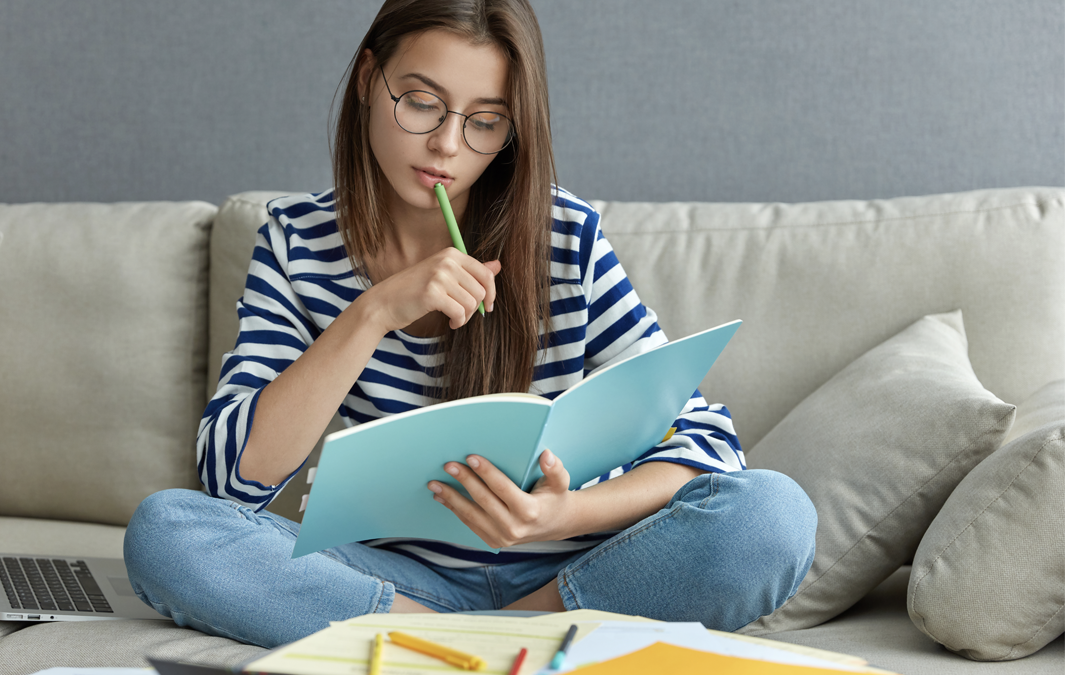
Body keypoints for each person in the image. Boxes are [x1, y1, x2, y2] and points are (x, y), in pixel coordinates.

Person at [124, 0, 816, 649]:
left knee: (773, 518)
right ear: (369, 78)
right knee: (165, 532)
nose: (446, 146)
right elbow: (230, 482)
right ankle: (466, 642)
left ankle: (464, 643)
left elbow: (708, 444)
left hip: (569, 577)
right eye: (421, 103)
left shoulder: (562, 236)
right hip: (394, 582)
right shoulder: (295, 242)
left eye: (484, 120)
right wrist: (373, 312)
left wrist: (560, 516)